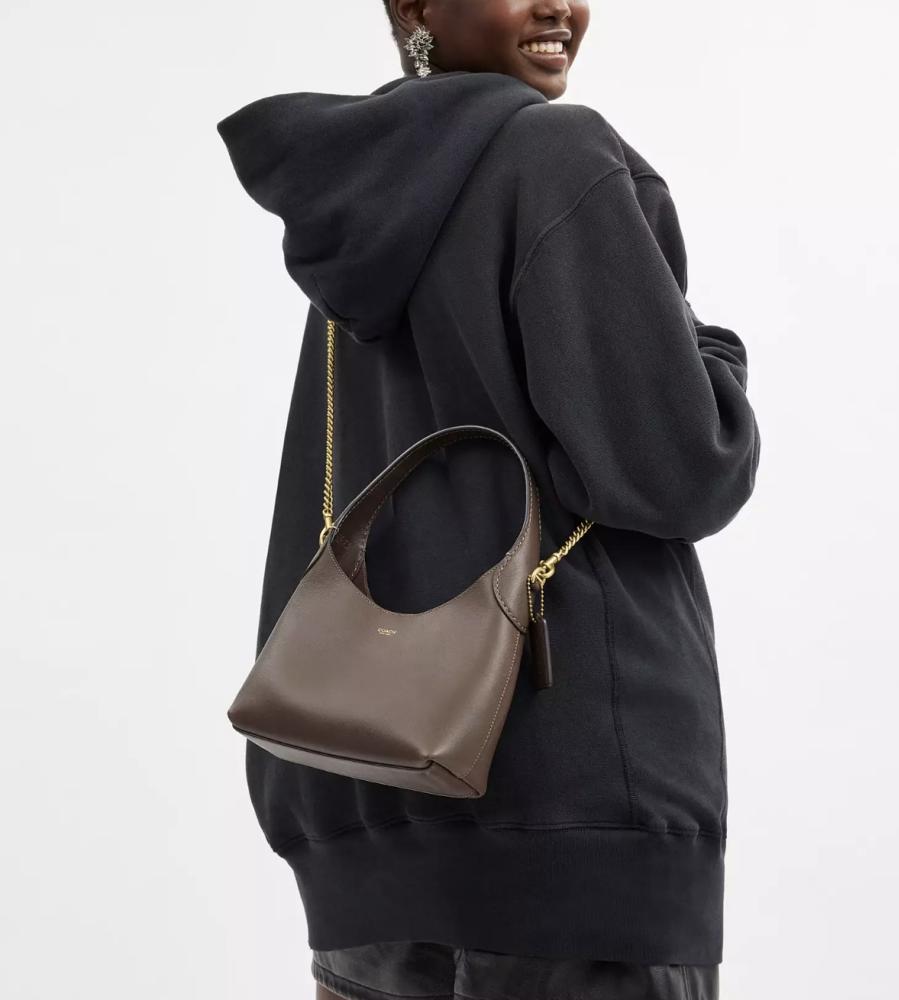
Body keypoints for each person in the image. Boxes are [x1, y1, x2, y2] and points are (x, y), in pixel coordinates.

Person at [216, 1, 761, 997]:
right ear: (415, 8)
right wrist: (710, 356)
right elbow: (679, 469)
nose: (559, 6)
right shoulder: (556, 157)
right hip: (576, 826)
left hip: (366, 818)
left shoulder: (356, 200)